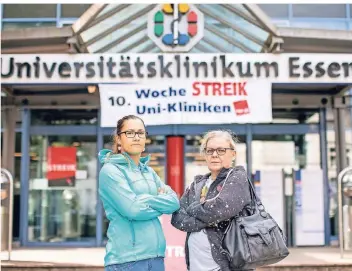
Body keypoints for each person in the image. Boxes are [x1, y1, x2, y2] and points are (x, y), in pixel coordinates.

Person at [98, 115, 180, 271]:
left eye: (140, 133)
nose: (136, 137)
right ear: (119, 139)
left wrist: (142, 199)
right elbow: (133, 209)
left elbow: (174, 202)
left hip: (156, 257)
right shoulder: (110, 171)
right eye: (130, 133)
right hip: (127, 260)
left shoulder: (149, 172)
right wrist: (158, 200)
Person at [171, 130, 253, 271]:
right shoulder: (197, 184)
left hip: (226, 266)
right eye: (209, 151)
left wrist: (192, 209)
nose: (214, 155)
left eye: (221, 150)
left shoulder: (237, 178)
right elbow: (177, 218)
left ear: (232, 154)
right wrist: (205, 218)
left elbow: (219, 209)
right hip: (196, 266)